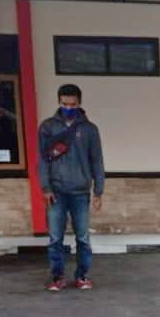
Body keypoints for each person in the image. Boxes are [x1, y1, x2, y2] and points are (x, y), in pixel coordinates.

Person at [37, 84, 105, 292]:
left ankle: (82, 276)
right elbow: (42, 160)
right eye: (64, 104)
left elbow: (97, 161)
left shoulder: (89, 129)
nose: (68, 107)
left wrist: (98, 191)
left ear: (79, 103)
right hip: (56, 192)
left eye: (72, 104)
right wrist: (46, 188)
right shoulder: (48, 127)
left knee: (83, 237)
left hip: (81, 192)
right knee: (55, 237)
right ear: (59, 102)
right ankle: (57, 277)